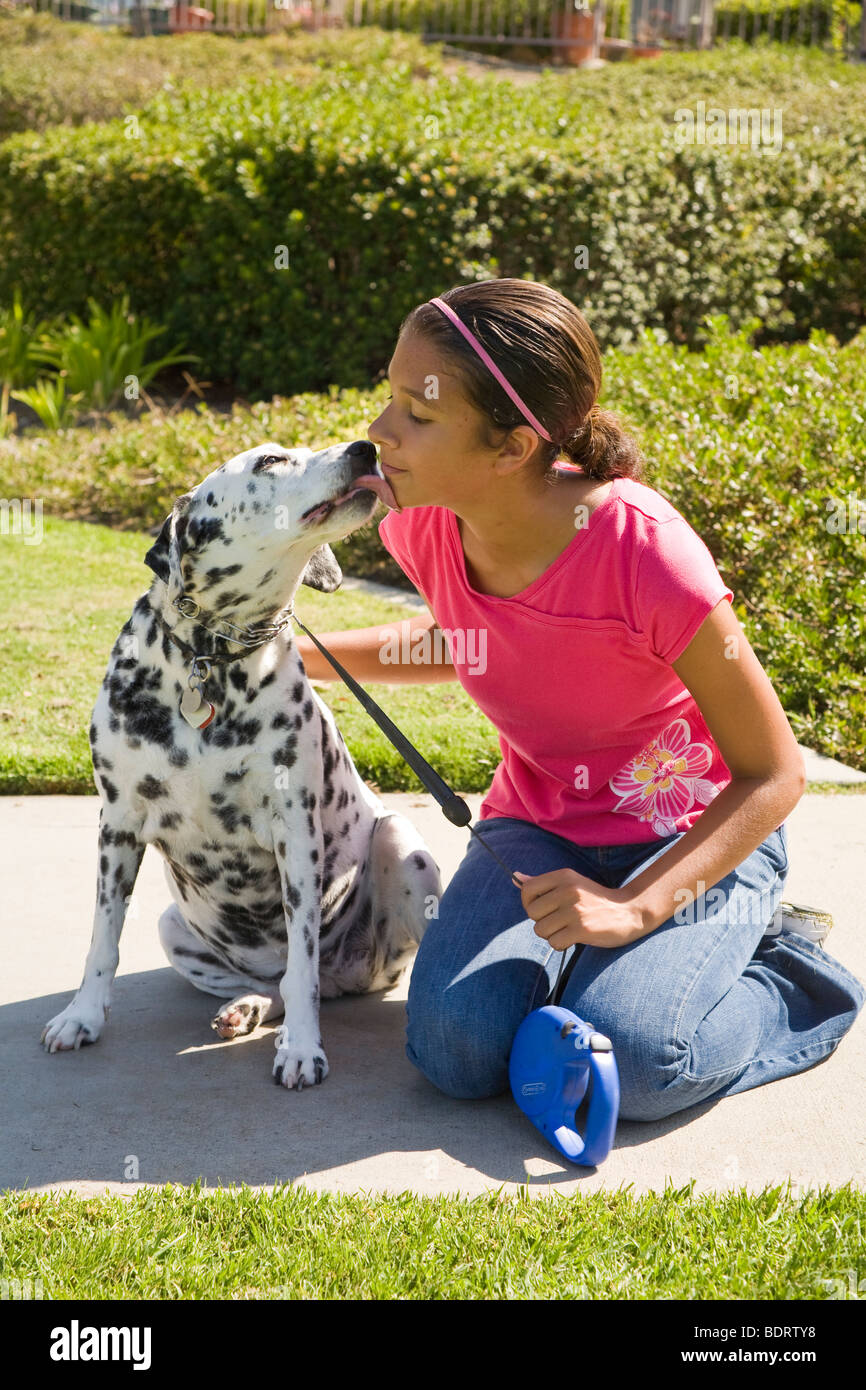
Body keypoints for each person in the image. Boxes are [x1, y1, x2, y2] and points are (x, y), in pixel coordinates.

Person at [294, 278, 864, 1123]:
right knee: (453, 1053)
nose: (380, 430)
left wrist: (638, 906)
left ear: (512, 446)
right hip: (536, 827)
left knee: (638, 1059)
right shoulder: (421, 523)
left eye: (419, 411)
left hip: (689, 837)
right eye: (390, 396)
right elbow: (480, 640)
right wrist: (299, 658)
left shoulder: (644, 551)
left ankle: (785, 971)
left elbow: (773, 774)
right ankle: (613, 968)